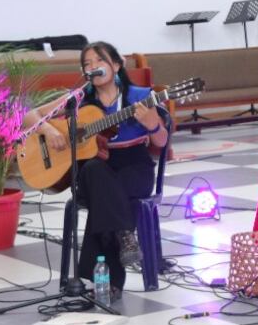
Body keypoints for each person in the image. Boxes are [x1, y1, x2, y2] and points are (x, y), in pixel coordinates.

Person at [21, 42, 168, 300]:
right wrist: (50, 131)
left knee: (104, 193)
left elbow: (162, 143)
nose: (92, 67)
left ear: (117, 65)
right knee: (92, 169)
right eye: (86, 64)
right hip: (96, 171)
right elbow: (30, 116)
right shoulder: (79, 99)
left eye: (99, 61)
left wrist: (154, 125)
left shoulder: (140, 96)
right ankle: (124, 235)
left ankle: (109, 278)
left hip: (133, 166)